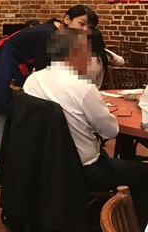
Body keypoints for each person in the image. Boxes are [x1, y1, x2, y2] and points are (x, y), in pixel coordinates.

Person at [23, 29, 148, 228]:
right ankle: (132, 226)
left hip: (43, 162)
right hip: (84, 170)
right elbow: (110, 131)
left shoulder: (33, 80)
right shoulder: (83, 88)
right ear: (74, 54)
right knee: (144, 173)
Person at [0, 4, 95, 187]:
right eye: (81, 23)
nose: (84, 30)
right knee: (2, 122)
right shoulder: (49, 35)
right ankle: (0, 175)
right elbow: (46, 70)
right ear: (67, 19)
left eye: (88, 27)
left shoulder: (55, 31)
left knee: (0, 123)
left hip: (11, 66)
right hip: (5, 68)